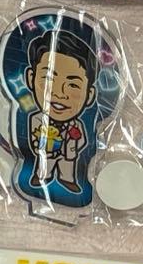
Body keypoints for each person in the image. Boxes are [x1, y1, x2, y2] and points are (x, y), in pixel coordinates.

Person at [23, 27, 101, 194]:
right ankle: (41, 176)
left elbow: (82, 141)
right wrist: (41, 144)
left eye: (73, 85)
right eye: (49, 79)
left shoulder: (76, 124)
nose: (59, 93)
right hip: (47, 152)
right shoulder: (37, 119)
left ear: (89, 95)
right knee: (44, 166)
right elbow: (33, 137)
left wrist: (73, 142)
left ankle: (68, 180)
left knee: (67, 168)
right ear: (31, 78)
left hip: (68, 154)